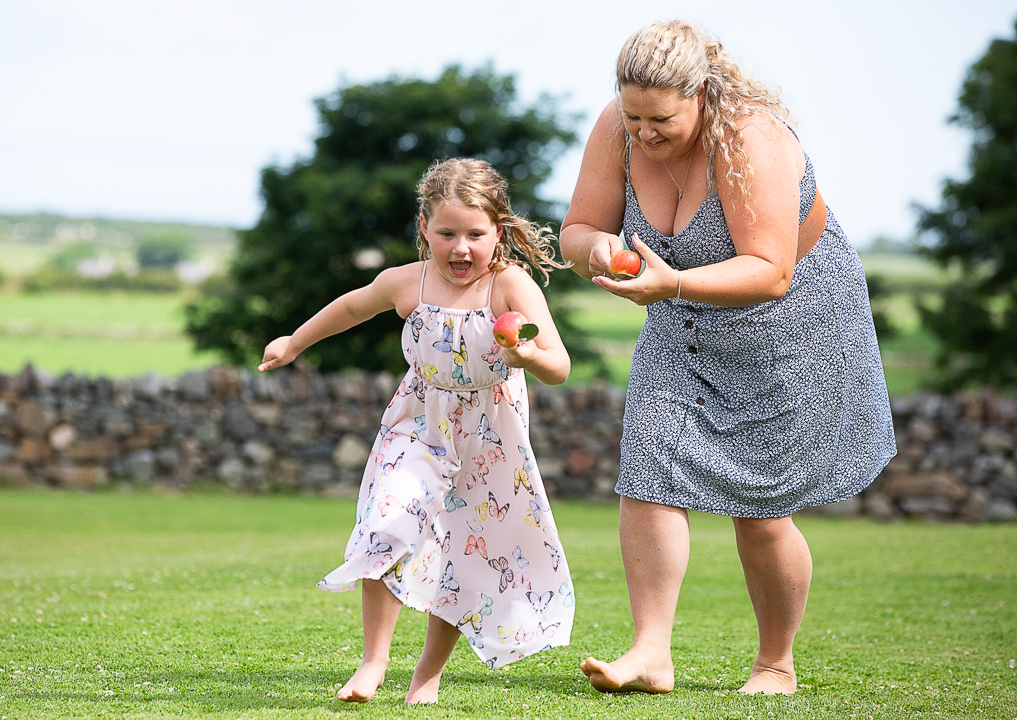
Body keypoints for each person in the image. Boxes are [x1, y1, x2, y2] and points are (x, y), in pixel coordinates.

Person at [559, 21, 896, 696]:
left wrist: (672, 282)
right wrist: (598, 250)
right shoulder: (618, 128)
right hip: (681, 321)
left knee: (761, 506)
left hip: (790, 321)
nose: (644, 133)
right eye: (633, 116)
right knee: (648, 465)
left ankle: (775, 664)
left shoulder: (752, 138)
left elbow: (770, 270)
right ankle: (651, 653)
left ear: (702, 96)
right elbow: (576, 229)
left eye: (662, 119)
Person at [259, 157, 576, 705]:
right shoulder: (409, 282)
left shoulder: (510, 286)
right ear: (423, 228)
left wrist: (525, 355)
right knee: (387, 520)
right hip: (418, 423)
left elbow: (560, 365)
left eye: (475, 234)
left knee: (463, 553)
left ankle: (426, 677)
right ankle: (372, 663)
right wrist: (293, 342)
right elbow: (350, 308)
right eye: (446, 232)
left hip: (488, 436)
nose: (461, 248)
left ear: (498, 232)